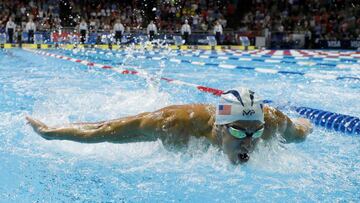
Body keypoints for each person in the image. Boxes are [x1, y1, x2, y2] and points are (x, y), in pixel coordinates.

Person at [26, 87, 313, 164]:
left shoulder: (272, 123)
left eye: (255, 132)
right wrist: (51, 133)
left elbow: (301, 129)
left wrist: (308, 126)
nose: (249, 142)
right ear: (219, 126)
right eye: (238, 131)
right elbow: (102, 130)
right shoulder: (175, 124)